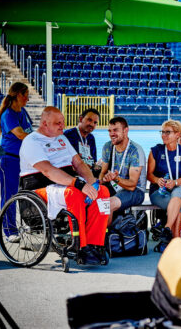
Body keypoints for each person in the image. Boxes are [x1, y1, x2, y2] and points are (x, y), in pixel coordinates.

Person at [19, 107, 110, 264]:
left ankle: (96, 243)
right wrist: (78, 183)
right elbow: (48, 171)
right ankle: (80, 246)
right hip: (40, 188)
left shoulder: (61, 138)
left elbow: (79, 163)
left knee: (103, 191)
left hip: (64, 185)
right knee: (72, 193)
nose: (62, 126)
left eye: (63, 122)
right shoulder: (32, 141)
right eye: (57, 123)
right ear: (44, 123)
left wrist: (92, 183)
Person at [0, 82, 33, 243]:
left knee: (24, 194)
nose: (28, 99)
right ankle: (10, 230)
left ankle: (28, 223)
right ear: (18, 95)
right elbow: (20, 134)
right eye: (26, 95)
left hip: (21, 161)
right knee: (9, 196)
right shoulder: (8, 114)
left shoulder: (22, 112)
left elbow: (30, 131)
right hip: (8, 161)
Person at [148, 120, 181, 242]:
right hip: (159, 191)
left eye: (168, 132)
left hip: (178, 188)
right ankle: (175, 238)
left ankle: (167, 229)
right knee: (180, 204)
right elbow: (149, 175)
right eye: (162, 132)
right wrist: (157, 180)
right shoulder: (156, 151)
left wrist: (175, 182)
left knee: (178, 193)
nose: (164, 135)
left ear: (177, 134)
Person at [99, 117, 147, 225]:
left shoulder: (135, 151)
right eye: (110, 131)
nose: (112, 134)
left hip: (135, 191)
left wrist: (115, 179)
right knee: (92, 199)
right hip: (113, 186)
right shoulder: (108, 147)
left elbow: (132, 185)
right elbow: (103, 171)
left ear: (126, 131)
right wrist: (101, 180)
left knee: (107, 204)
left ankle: (106, 238)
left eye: (115, 130)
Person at [64, 108, 101, 177]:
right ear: (81, 119)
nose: (92, 124)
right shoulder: (68, 135)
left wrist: (98, 166)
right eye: (89, 120)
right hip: (73, 176)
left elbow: (93, 161)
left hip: (89, 175)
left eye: (95, 122)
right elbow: (64, 162)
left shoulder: (91, 138)